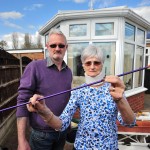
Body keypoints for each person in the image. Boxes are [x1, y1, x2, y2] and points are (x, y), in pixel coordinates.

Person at [27, 45, 136, 150]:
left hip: (109, 146)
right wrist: (43, 111)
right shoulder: (78, 91)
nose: (92, 66)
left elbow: (129, 122)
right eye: (88, 63)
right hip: (82, 146)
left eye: (96, 63)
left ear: (102, 64)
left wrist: (120, 100)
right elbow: (62, 123)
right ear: (83, 65)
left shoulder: (114, 88)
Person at [16, 28, 72, 150]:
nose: (57, 48)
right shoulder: (34, 67)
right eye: (53, 45)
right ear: (47, 46)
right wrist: (21, 140)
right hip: (41, 135)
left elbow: (67, 100)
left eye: (61, 45)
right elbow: (22, 102)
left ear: (66, 47)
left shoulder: (68, 72)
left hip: (61, 132)